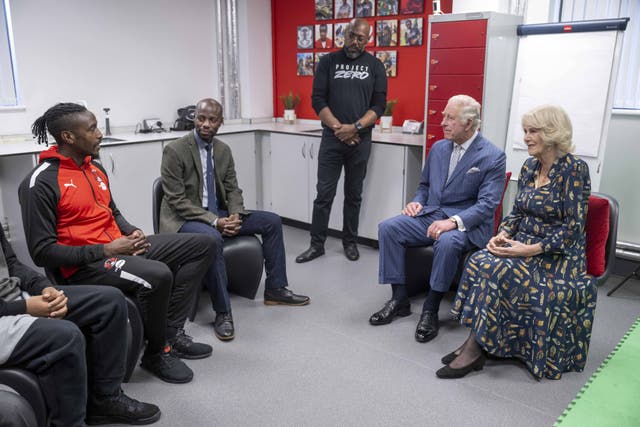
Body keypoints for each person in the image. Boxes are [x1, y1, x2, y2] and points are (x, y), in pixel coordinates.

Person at [18, 103, 217, 385]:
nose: (99, 134)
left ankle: (171, 334)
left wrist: (132, 232)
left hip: (117, 248)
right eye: (92, 129)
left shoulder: (95, 169)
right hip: (84, 266)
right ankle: (157, 353)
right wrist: (106, 250)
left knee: (204, 244)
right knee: (159, 274)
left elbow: (113, 212)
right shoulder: (40, 182)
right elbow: (42, 252)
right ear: (68, 137)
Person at [437, 105, 596, 380]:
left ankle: (474, 350)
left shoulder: (574, 170)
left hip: (557, 256)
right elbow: (519, 212)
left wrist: (532, 249)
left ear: (551, 133)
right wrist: (504, 234)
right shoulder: (530, 166)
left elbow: (573, 228)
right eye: (525, 131)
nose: (526, 137)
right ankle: (480, 340)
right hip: (524, 244)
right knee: (479, 261)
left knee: (498, 270)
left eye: (533, 131)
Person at [160, 98, 310, 341]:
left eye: (212, 119)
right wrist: (215, 222)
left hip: (217, 214)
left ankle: (276, 289)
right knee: (212, 239)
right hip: (184, 219)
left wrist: (235, 216)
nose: (205, 124)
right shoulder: (175, 150)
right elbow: (176, 201)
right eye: (201, 118)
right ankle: (223, 312)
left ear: (220, 122)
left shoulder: (222, 150)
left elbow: (232, 190)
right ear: (194, 118)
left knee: (271, 221)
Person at [370, 95, 506, 344]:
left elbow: (487, 205)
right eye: (443, 116)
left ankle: (430, 309)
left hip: (467, 225)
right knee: (388, 228)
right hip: (431, 214)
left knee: (447, 242)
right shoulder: (440, 148)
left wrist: (453, 222)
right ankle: (399, 298)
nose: (442, 122)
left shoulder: (493, 156)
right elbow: (424, 185)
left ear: (469, 123)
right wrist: (417, 202)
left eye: (450, 118)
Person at [0, 226, 160, 426]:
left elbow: (12, 264)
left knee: (110, 301)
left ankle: (105, 400)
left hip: (14, 298)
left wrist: (44, 287)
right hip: (6, 312)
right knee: (65, 337)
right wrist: (24, 307)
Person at [296, 18, 387, 264]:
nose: (355, 42)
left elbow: (379, 106)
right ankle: (317, 245)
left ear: (368, 40)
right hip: (332, 139)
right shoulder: (328, 62)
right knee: (324, 194)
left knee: (353, 194)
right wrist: (339, 129)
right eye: (352, 35)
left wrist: (355, 128)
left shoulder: (376, 66)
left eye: (361, 38)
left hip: (360, 140)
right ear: (344, 34)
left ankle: (350, 243)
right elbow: (317, 100)